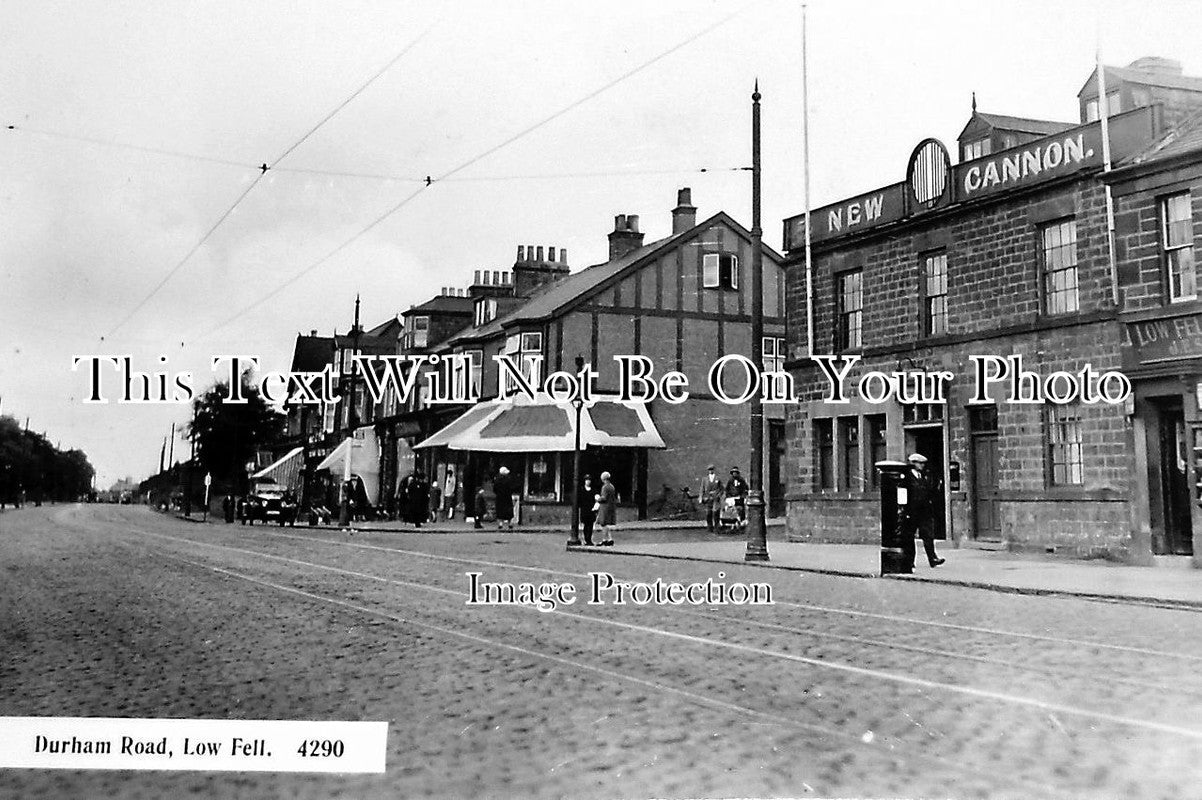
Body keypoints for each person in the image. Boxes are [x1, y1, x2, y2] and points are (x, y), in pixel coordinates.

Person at [898, 453, 945, 569]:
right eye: (920, 463)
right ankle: (910, 561)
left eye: (923, 463)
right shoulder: (906, 477)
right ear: (913, 463)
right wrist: (903, 510)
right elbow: (902, 494)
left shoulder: (924, 476)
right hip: (911, 511)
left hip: (924, 511)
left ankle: (932, 558)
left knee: (928, 535)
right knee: (909, 537)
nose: (922, 465)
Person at [699, 464, 724, 532]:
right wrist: (701, 497)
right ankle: (709, 527)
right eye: (709, 470)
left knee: (716, 513)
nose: (711, 471)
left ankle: (716, 527)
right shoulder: (705, 479)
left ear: (714, 470)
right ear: (708, 471)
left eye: (712, 469)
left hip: (716, 498)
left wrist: (719, 495)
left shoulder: (718, 478)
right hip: (708, 498)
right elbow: (702, 489)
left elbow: (722, 489)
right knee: (708, 513)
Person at [597, 471, 617, 546]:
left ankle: (605, 539)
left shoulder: (605, 487)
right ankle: (610, 539)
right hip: (610, 507)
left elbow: (604, 498)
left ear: (603, 479)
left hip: (605, 507)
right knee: (607, 524)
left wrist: (598, 498)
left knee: (603, 523)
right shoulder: (612, 486)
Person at [577, 474, 597, 546]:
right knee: (586, 525)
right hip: (584, 509)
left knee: (591, 525)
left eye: (589, 480)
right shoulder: (582, 490)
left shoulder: (593, 490)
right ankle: (586, 539)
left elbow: (596, 499)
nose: (588, 482)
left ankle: (589, 539)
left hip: (591, 510)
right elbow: (579, 500)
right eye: (586, 480)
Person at [493, 466, 514, 531]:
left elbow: (494, 489)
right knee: (509, 511)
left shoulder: (497, 479)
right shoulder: (508, 479)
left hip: (499, 497)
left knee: (500, 511)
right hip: (507, 497)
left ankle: (500, 524)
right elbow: (511, 487)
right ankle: (510, 523)